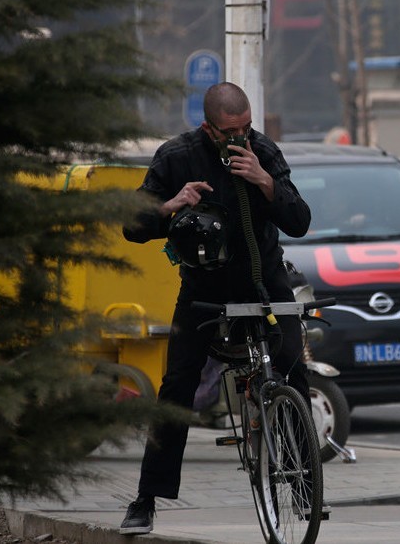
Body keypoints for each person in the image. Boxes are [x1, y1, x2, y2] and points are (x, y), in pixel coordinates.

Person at [119, 82, 315, 535]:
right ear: (209, 128)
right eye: (231, 131)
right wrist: (172, 204)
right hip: (204, 291)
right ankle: (147, 498)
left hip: (264, 282)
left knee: (290, 368)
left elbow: (300, 222)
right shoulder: (176, 155)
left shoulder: (263, 151)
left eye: (247, 127)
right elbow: (132, 226)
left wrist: (264, 181)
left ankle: (304, 485)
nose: (241, 137)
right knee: (177, 386)